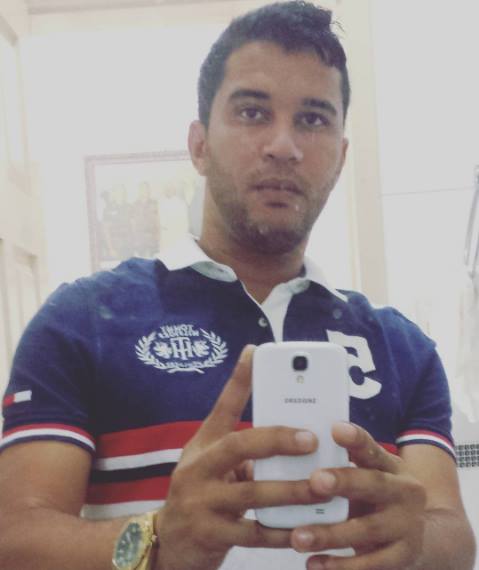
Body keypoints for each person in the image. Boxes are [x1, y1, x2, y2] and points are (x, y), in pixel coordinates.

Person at [0, 2, 476, 570]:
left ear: (341, 156)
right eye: (253, 113)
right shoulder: (81, 322)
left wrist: (415, 542)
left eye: (313, 119)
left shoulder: (403, 349)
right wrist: (159, 541)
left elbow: (454, 536)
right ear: (199, 144)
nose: (283, 145)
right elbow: (14, 537)